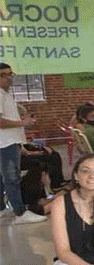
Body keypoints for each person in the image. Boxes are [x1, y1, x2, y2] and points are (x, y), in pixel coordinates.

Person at [0, 62, 46, 224]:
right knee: (12, 178)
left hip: (8, 142)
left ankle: (1, 210)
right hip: (5, 143)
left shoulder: (5, 94)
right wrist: (22, 123)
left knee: (2, 178)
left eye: (10, 74)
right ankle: (20, 213)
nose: (8, 78)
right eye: (3, 75)